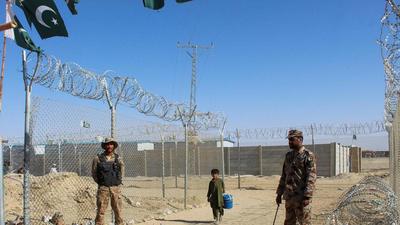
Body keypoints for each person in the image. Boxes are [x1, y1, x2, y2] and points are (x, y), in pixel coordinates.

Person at [276, 130, 317, 225]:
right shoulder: (289, 156)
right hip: (289, 197)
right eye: (289, 139)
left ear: (300, 139)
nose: (289, 142)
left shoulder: (308, 155)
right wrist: (279, 193)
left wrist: (307, 196)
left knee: (304, 222)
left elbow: (311, 176)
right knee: (289, 222)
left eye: (292, 139)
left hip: (301, 198)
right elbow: (284, 176)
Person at [91, 137, 125, 225]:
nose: (109, 146)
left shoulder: (118, 159)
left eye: (111, 144)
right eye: (107, 144)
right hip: (103, 188)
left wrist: (118, 182)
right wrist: (101, 183)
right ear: (104, 146)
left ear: (114, 146)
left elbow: (122, 171)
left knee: (118, 211)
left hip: (115, 188)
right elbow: (94, 173)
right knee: (101, 211)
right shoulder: (98, 158)